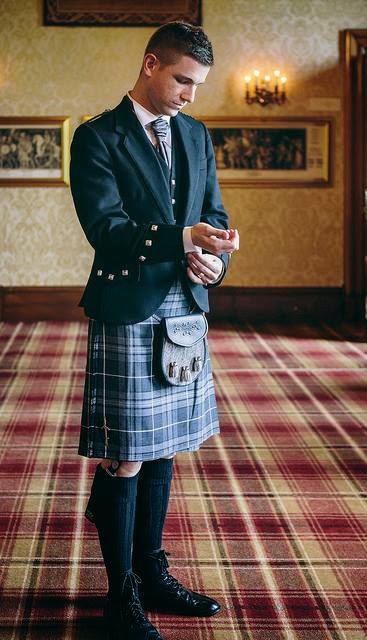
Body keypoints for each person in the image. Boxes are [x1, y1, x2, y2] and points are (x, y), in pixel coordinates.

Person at [70, 21, 239, 640]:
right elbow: (107, 229)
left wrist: (214, 259)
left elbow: (213, 214)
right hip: (129, 306)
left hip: (185, 306)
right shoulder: (97, 136)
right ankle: (121, 595)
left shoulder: (195, 134)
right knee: (126, 456)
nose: (191, 95)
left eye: (198, 85)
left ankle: (151, 571)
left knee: (164, 446)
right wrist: (184, 238)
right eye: (182, 80)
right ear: (150, 64)